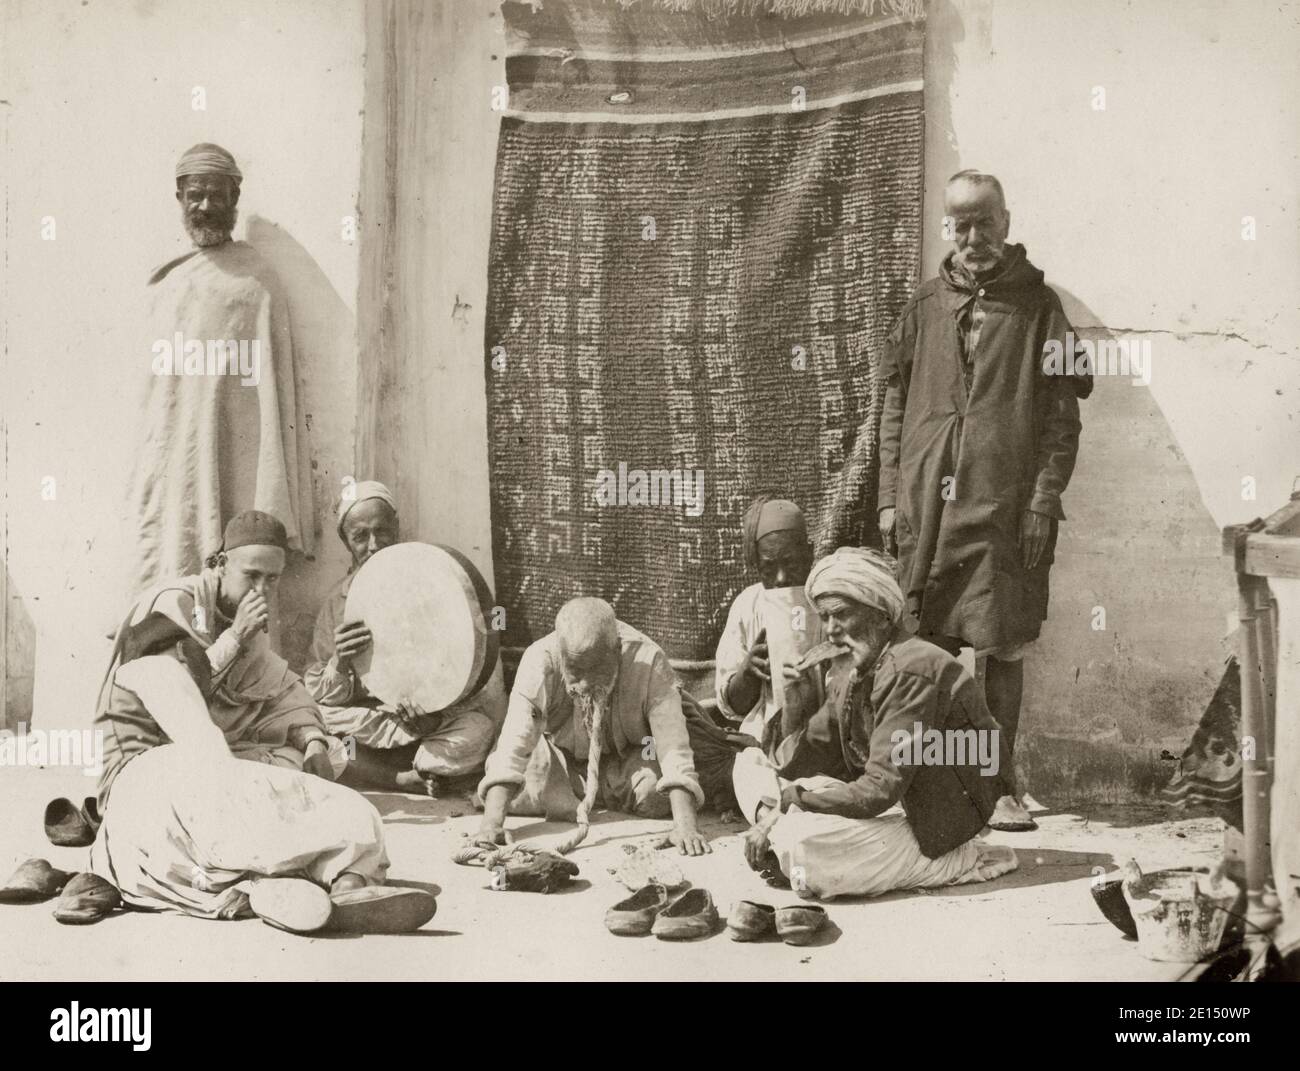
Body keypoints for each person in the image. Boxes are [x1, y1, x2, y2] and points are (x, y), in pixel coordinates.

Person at [75, 510, 431, 932]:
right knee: (258, 810)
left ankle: (340, 887)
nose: (262, 589)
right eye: (252, 575)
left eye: (273, 579)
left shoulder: (244, 624)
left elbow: (282, 690)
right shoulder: (172, 606)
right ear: (222, 564)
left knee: (336, 790)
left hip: (214, 765)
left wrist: (313, 740)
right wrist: (233, 639)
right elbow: (178, 703)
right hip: (148, 773)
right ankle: (285, 881)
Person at [877, 170, 1092, 831]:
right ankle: (938, 783)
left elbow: (1062, 420)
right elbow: (891, 405)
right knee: (931, 650)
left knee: (1002, 647)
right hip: (927, 510)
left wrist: (1042, 502)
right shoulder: (924, 307)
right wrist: (889, 497)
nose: (973, 237)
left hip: (1003, 510)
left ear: (1006, 221)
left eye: (985, 222)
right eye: (960, 224)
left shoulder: (1039, 308)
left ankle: (999, 786)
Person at [734, 546, 1019, 900]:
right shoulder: (855, 668)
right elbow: (803, 756)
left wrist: (789, 803)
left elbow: (878, 792)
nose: (831, 630)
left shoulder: (911, 669)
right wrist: (795, 701)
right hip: (900, 804)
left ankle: (959, 860)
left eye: (840, 615)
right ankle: (784, 839)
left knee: (805, 842)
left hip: (937, 828)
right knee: (748, 764)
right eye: (823, 618)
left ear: (881, 614)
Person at [121, 143, 313, 604]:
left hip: (235, 456)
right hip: (177, 463)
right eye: (195, 196)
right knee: (170, 572)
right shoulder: (168, 282)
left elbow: (267, 393)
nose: (205, 207)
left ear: (235, 196)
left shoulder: (257, 283)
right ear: (180, 198)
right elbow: (161, 393)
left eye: (216, 195)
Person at [476, 597, 735, 856]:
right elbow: (515, 742)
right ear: (561, 652)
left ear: (616, 650)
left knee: (653, 794)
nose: (585, 684)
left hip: (633, 755)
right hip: (560, 756)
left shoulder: (648, 660)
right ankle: (579, 792)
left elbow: (672, 746)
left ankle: (576, 796)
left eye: (595, 670)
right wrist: (491, 825)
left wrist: (686, 827)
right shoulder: (540, 659)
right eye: (575, 670)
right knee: (511, 780)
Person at [303, 481, 506, 795]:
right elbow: (320, 695)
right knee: (319, 730)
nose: (373, 545)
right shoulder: (338, 604)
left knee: (478, 731)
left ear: (396, 527)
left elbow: (458, 666)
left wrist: (429, 712)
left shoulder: (434, 581)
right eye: (360, 536)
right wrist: (340, 661)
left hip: (426, 725)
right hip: (365, 723)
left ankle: (402, 767)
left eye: (382, 531)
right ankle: (400, 778)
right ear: (346, 541)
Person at [714, 495, 825, 759]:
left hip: (829, 734)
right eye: (768, 568)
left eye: (791, 563)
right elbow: (732, 706)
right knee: (749, 770)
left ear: (809, 553)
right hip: (764, 735)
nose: (781, 578)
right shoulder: (748, 606)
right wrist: (748, 674)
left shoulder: (828, 597)